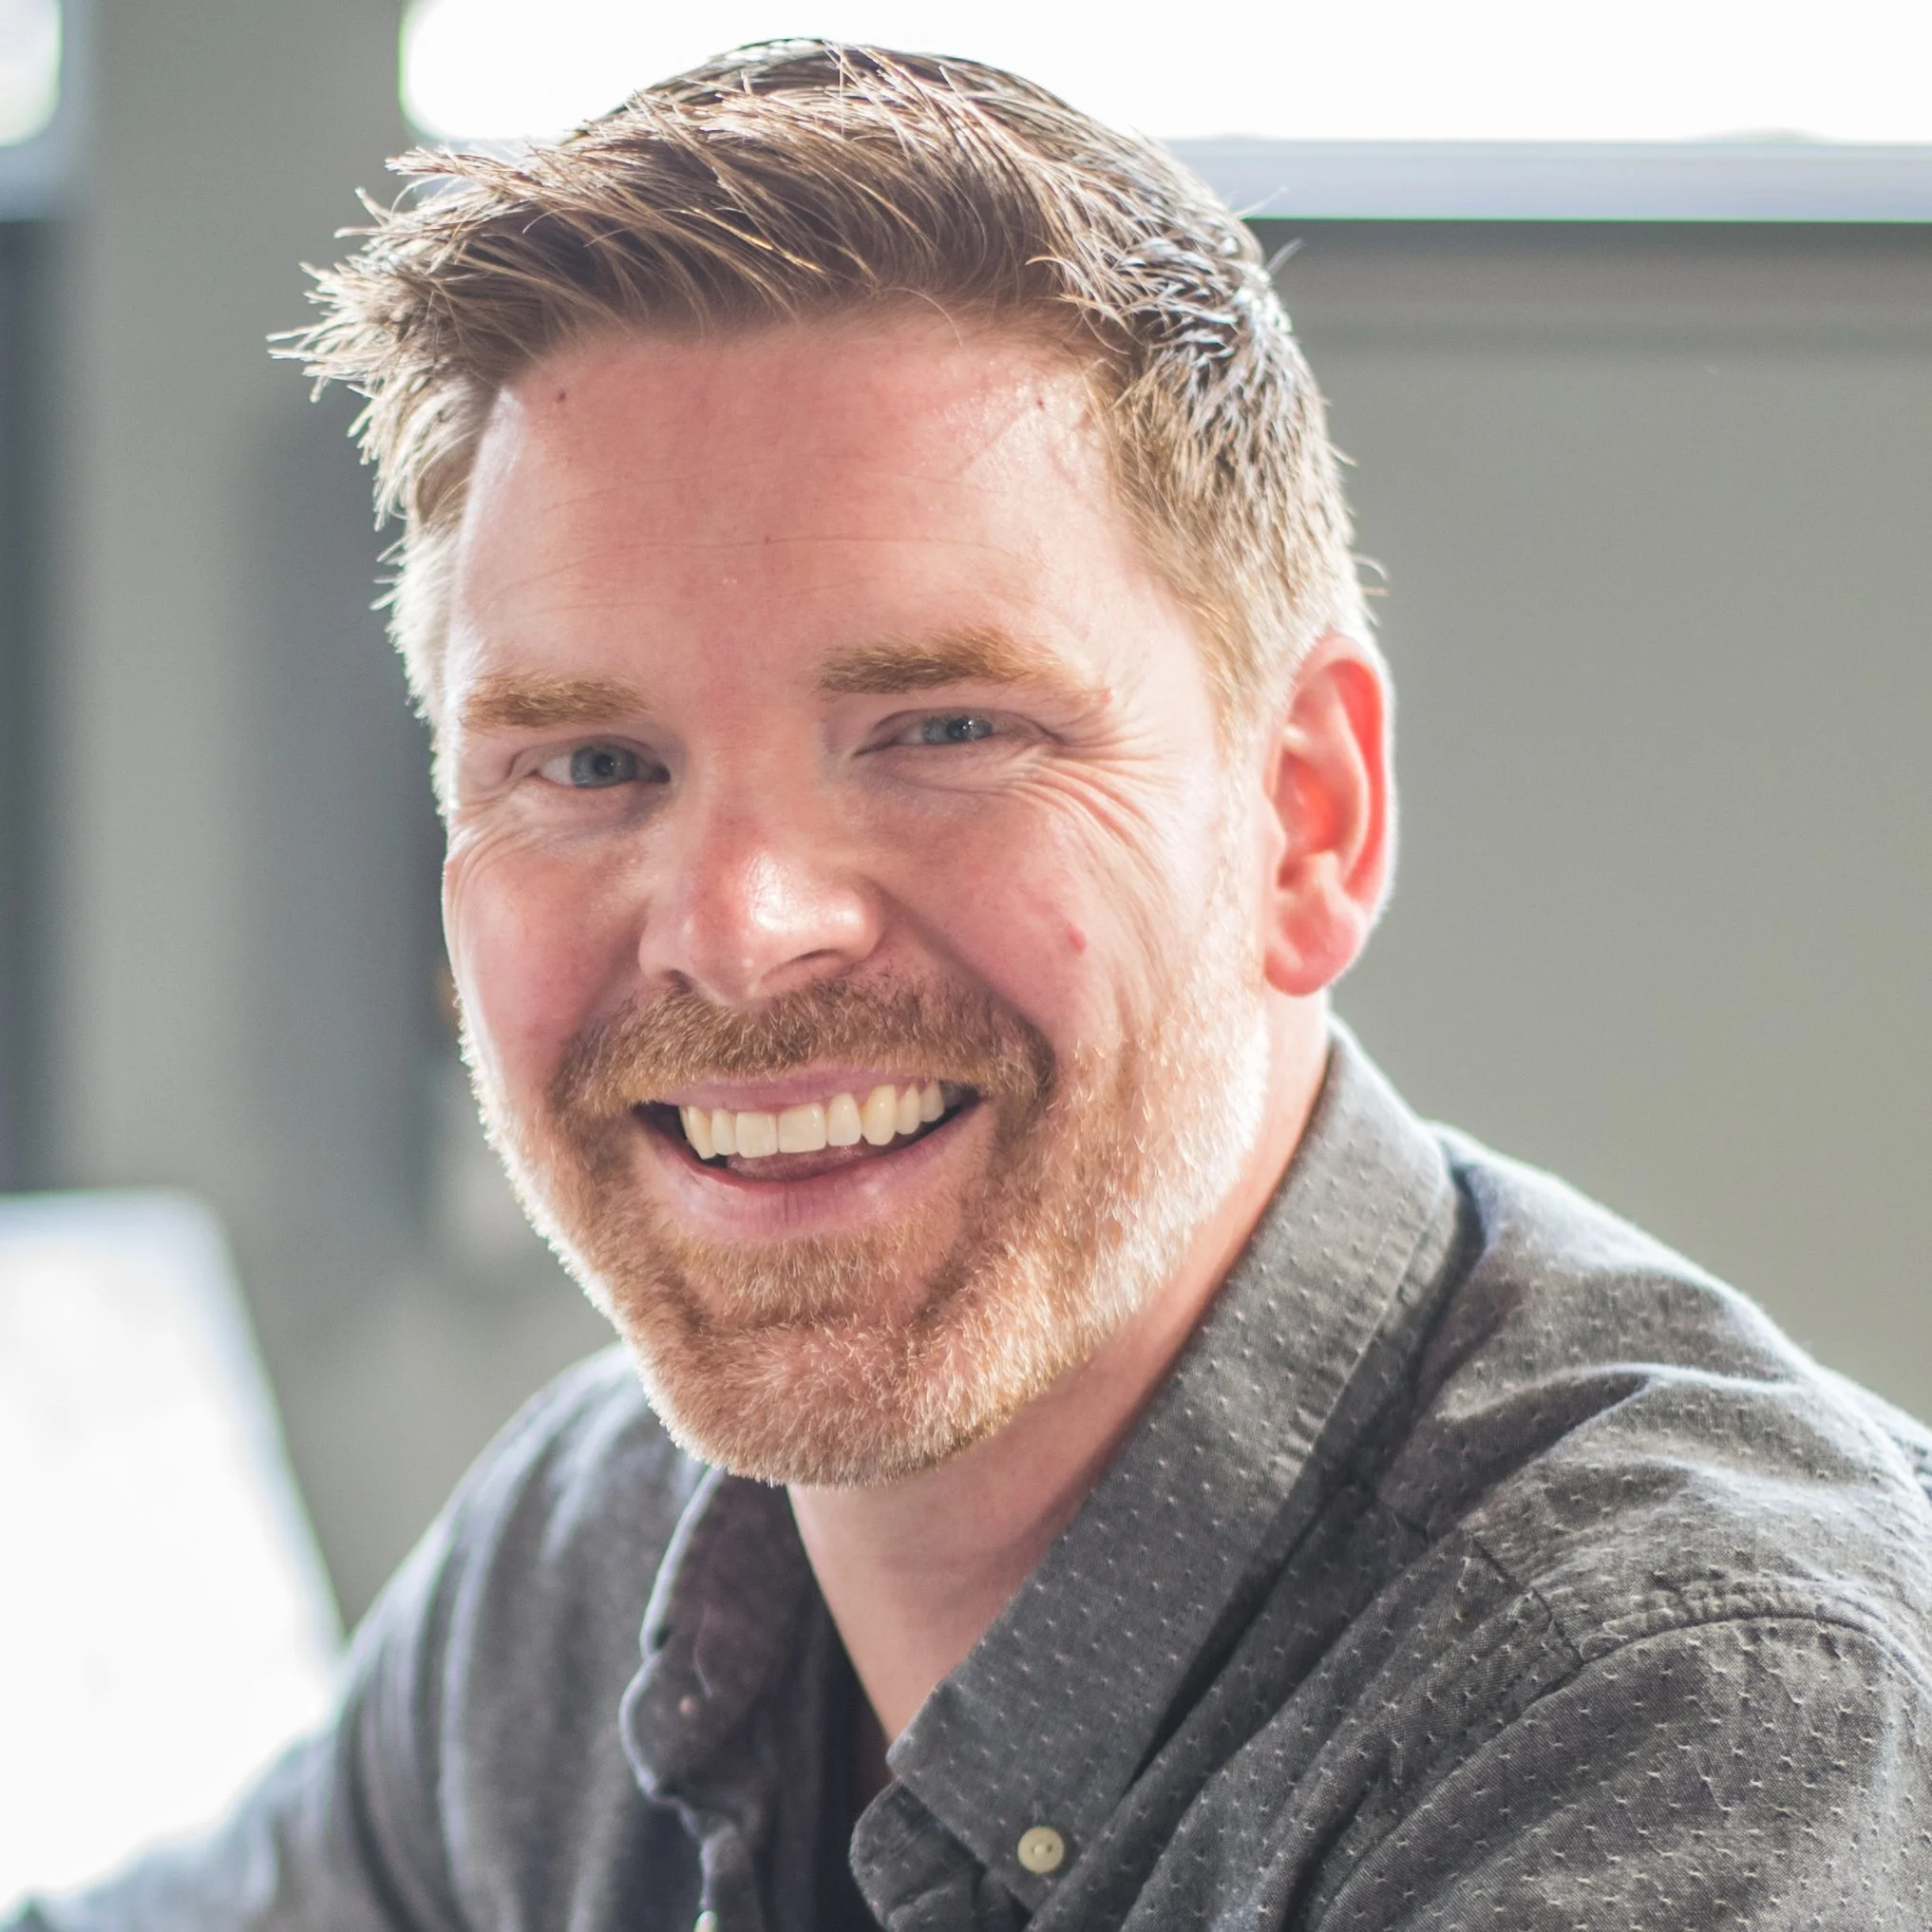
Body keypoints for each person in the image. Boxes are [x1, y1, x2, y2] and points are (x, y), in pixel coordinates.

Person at [16, 39, 1932, 1932]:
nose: (738, 927)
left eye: (941, 728)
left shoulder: (1684, 1716)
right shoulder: (596, 1556)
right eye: (592, 765)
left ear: (1307, 818)